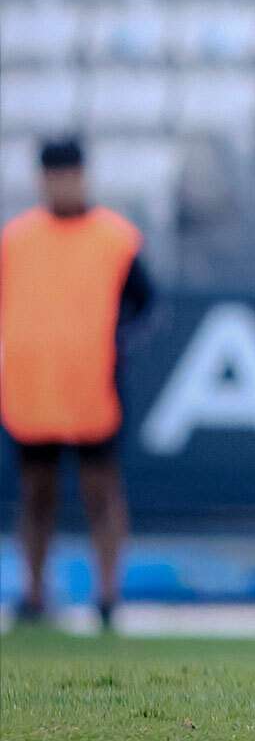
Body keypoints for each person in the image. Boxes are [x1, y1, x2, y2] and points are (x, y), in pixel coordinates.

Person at [1, 137, 154, 631]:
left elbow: (145, 305)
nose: (62, 185)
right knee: (36, 493)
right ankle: (34, 593)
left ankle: (108, 595)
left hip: (93, 387)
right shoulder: (16, 241)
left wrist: (113, 345)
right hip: (33, 389)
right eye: (54, 176)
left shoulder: (115, 239)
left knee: (100, 490)